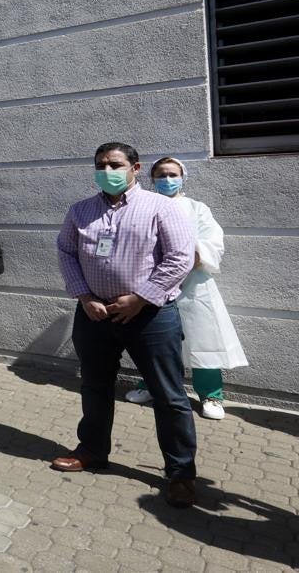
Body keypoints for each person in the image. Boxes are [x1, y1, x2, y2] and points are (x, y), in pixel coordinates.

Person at [53, 142, 198, 508]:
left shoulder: (161, 207)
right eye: (100, 164)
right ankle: (92, 451)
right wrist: (85, 297)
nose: (107, 171)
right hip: (95, 315)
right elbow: (66, 252)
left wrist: (141, 297)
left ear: (135, 167)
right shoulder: (80, 210)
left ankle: (180, 473)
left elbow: (181, 258)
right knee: (95, 387)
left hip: (151, 315)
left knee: (169, 396)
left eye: (115, 164)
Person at [124, 158, 248, 420]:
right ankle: (150, 386)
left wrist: (184, 259)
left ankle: (211, 395)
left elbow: (213, 243)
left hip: (194, 285)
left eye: (172, 174)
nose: (167, 179)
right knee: (154, 341)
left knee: (203, 340)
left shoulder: (197, 208)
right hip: (153, 285)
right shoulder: (143, 205)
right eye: (161, 174)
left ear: (183, 177)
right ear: (152, 178)